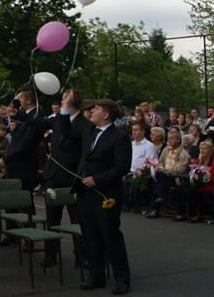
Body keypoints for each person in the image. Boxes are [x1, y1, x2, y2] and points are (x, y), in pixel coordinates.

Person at [73, 99, 131, 294]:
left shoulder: (119, 137)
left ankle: (121, 278)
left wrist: (97, 179)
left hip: (106, 194)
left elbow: (121, 167)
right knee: (90, 235)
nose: (92, 111)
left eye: (96, 109)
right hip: (85, 194)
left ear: (106, 114)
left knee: (110, 235)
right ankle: (95, 275)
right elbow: (74, 121)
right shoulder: (90, 132)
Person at [43, 88, 88, 266]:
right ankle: (50, 254)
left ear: (72, 101)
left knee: (77, 219)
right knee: (52, 218)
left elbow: (71, 134)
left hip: (71, 177)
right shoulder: (56, 121)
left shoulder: (84, 125)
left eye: (64, 99)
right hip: (54, 175)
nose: (61, 101)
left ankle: (81, 254)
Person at [2, 87, 46, 191]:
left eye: (20, 99)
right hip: (18, 165)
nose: (17, 102)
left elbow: (27, 143)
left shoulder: (35, 116)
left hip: (23, 167)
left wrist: (6, 159)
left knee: (22, 201)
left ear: (29, 100)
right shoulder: (25, 116)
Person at [145, 127, 189, 219]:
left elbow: (180, 169)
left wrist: (164, 170)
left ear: (178, 140)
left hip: (178, 177)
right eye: (168, 138)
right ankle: (157, 203)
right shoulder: (166, 150)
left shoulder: (183, 153)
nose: (169, 140)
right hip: (165, 175)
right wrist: (162, 169)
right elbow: (160, 162)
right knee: (155, 179)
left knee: (160, 179)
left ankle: (157, 204)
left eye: (172, 138)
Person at [177, 141, 214, 223]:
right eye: (201, 148)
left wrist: (206, 175)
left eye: (205, 149)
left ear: (210, 150)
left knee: (191, 190)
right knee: (181, 188)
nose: (202, 150)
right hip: (197, 183)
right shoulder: (197, 161)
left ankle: (193, 215)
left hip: (208, 184)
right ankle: (181, 213)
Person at [125, 120, 158, 214]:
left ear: (143, 131)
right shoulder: (131, 144)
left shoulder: (149, 145)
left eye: (136, 130)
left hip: (141, 173)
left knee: (135, 183)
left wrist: (138, 172)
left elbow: (149, 163)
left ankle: (136, 206)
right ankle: (125, 206)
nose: (133, 132)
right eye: (132, 130)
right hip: (128, 172)